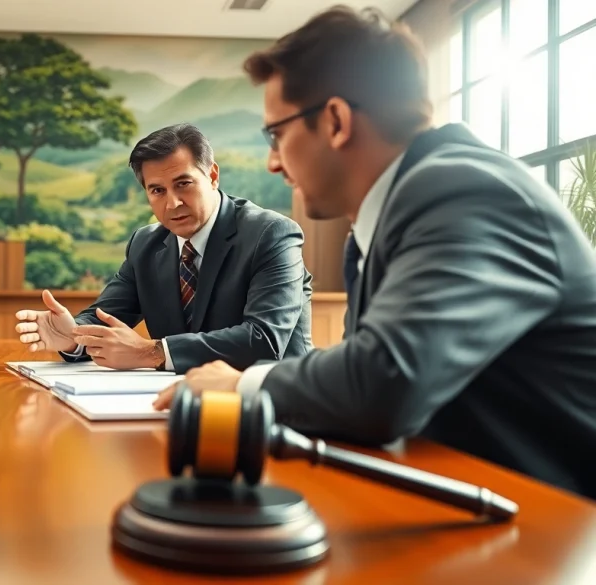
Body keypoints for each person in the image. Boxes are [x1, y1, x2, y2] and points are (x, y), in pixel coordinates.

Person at [153, 6, 596, 500]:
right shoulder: (386, 219)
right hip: (464, 499)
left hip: (560, 533)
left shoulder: (464, 190)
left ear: (337, 120)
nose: (273, 162)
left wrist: (243, 387)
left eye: (277, 135)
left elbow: (385, 380)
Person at [14, 123, 314, 374]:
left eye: (183, 184)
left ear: (212, 175)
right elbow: (106, 315)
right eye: (157, 190)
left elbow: (264, 340)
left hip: (274, 405)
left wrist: (150, 352)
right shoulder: (145, 244)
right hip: (174, 402)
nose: (172, 203)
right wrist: (72, 336)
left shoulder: (272, 234)